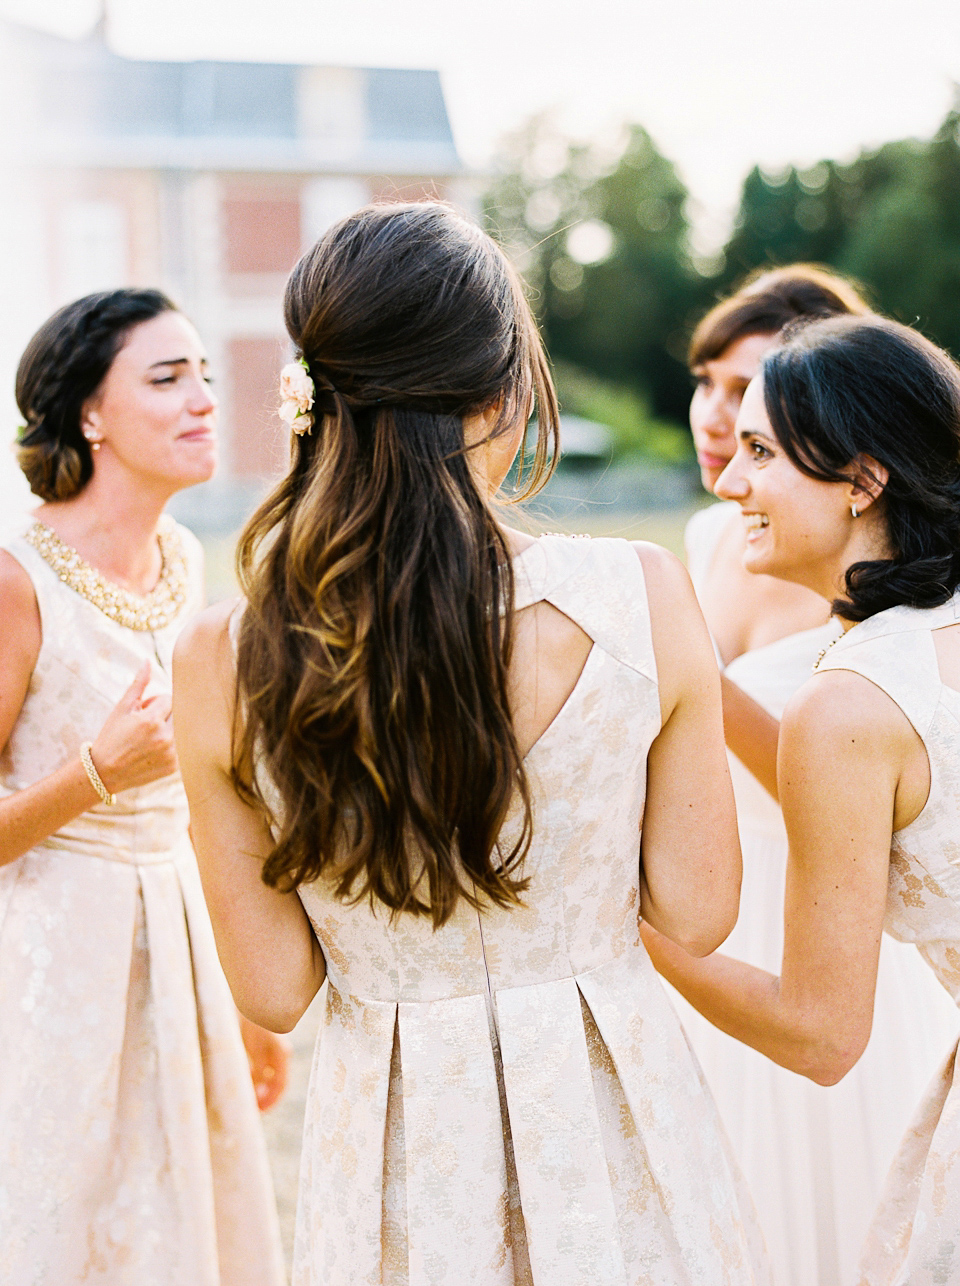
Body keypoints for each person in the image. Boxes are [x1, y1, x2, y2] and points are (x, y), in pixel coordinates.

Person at [173, 201, 772, 1286]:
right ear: (502, 389)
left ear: (315, 394)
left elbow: (276, 986)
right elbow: (698, 906)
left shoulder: (223, 657)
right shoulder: (639, 597)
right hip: (615, 1120)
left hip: (400, 1158)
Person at [643, 313, 960, 1286]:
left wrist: (629, 925)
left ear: (864, 479)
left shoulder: (852, 702)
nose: (731, 481)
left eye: (761, 452)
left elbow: (823, 1035)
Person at [0, 289, 288, 1285]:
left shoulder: (181, 558)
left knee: (178, 1231)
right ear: (89, 414)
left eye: (203, 373)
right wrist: (94, 771)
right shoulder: (14, 577)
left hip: (181, 951)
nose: (202, 398)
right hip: (48, 967)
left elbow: (203, 806)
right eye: (167, 377)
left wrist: (246, 998)